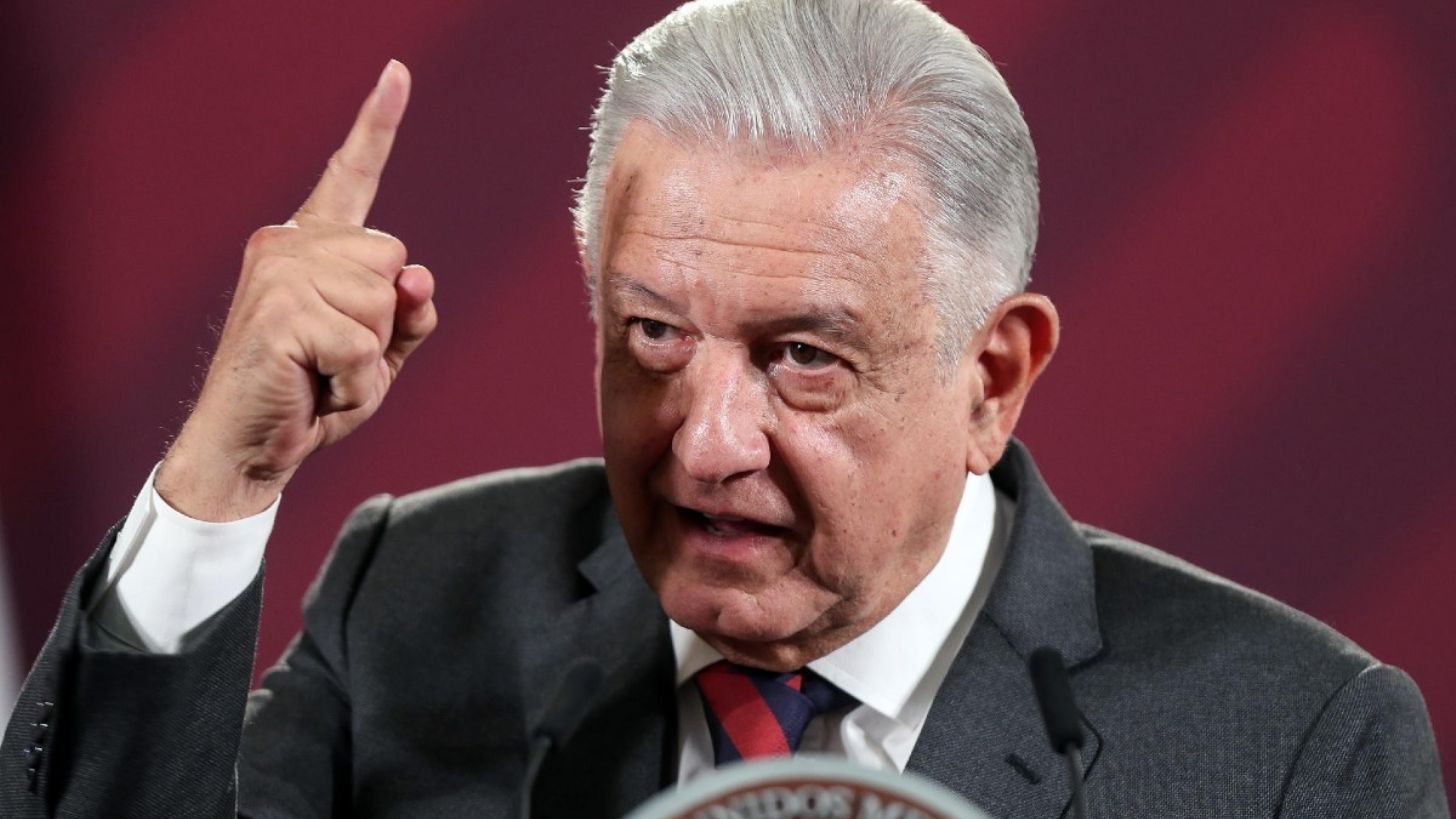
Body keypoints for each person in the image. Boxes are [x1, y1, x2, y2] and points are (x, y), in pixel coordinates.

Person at [1, 0, 1447, 816]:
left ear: (993, 376)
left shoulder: (1296, 750)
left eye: (804, 357)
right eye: (653, 336)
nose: (703, 444)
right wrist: (221, 484)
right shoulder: (416, 602)